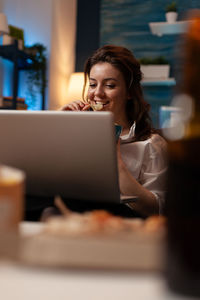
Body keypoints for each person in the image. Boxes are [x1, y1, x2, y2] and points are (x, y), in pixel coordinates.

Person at [60, 45, 167, 218]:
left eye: (109, 85)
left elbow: (156, 209)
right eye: (93, 84)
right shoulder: (79, 133)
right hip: (75, 214)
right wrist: (59, 127)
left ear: (129, 92)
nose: (97, 93)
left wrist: (114, 157)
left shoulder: (151, 144)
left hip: (121, 220)